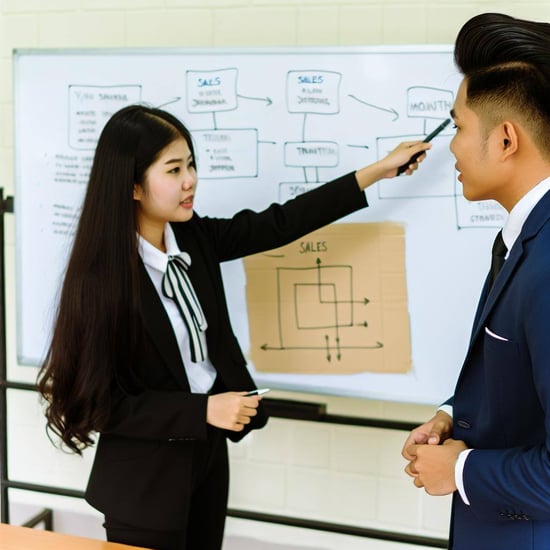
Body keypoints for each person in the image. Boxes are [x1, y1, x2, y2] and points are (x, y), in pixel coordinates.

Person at [37, 103, 429, 550]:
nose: (190, 181)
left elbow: (280, 223)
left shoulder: (193, 239)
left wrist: (376, 171)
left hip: (205, 458)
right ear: (133, 186)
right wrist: (200, 410)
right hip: (142, 482)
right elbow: (96, 407)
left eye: (191, 164)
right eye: (173, 170)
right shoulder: (100, 279)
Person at [402, 12, 550, 550]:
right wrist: (453, 415)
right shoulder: (524, 234)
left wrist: (459, 472)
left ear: (506, 139)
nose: (454, 147)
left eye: (459, 127)